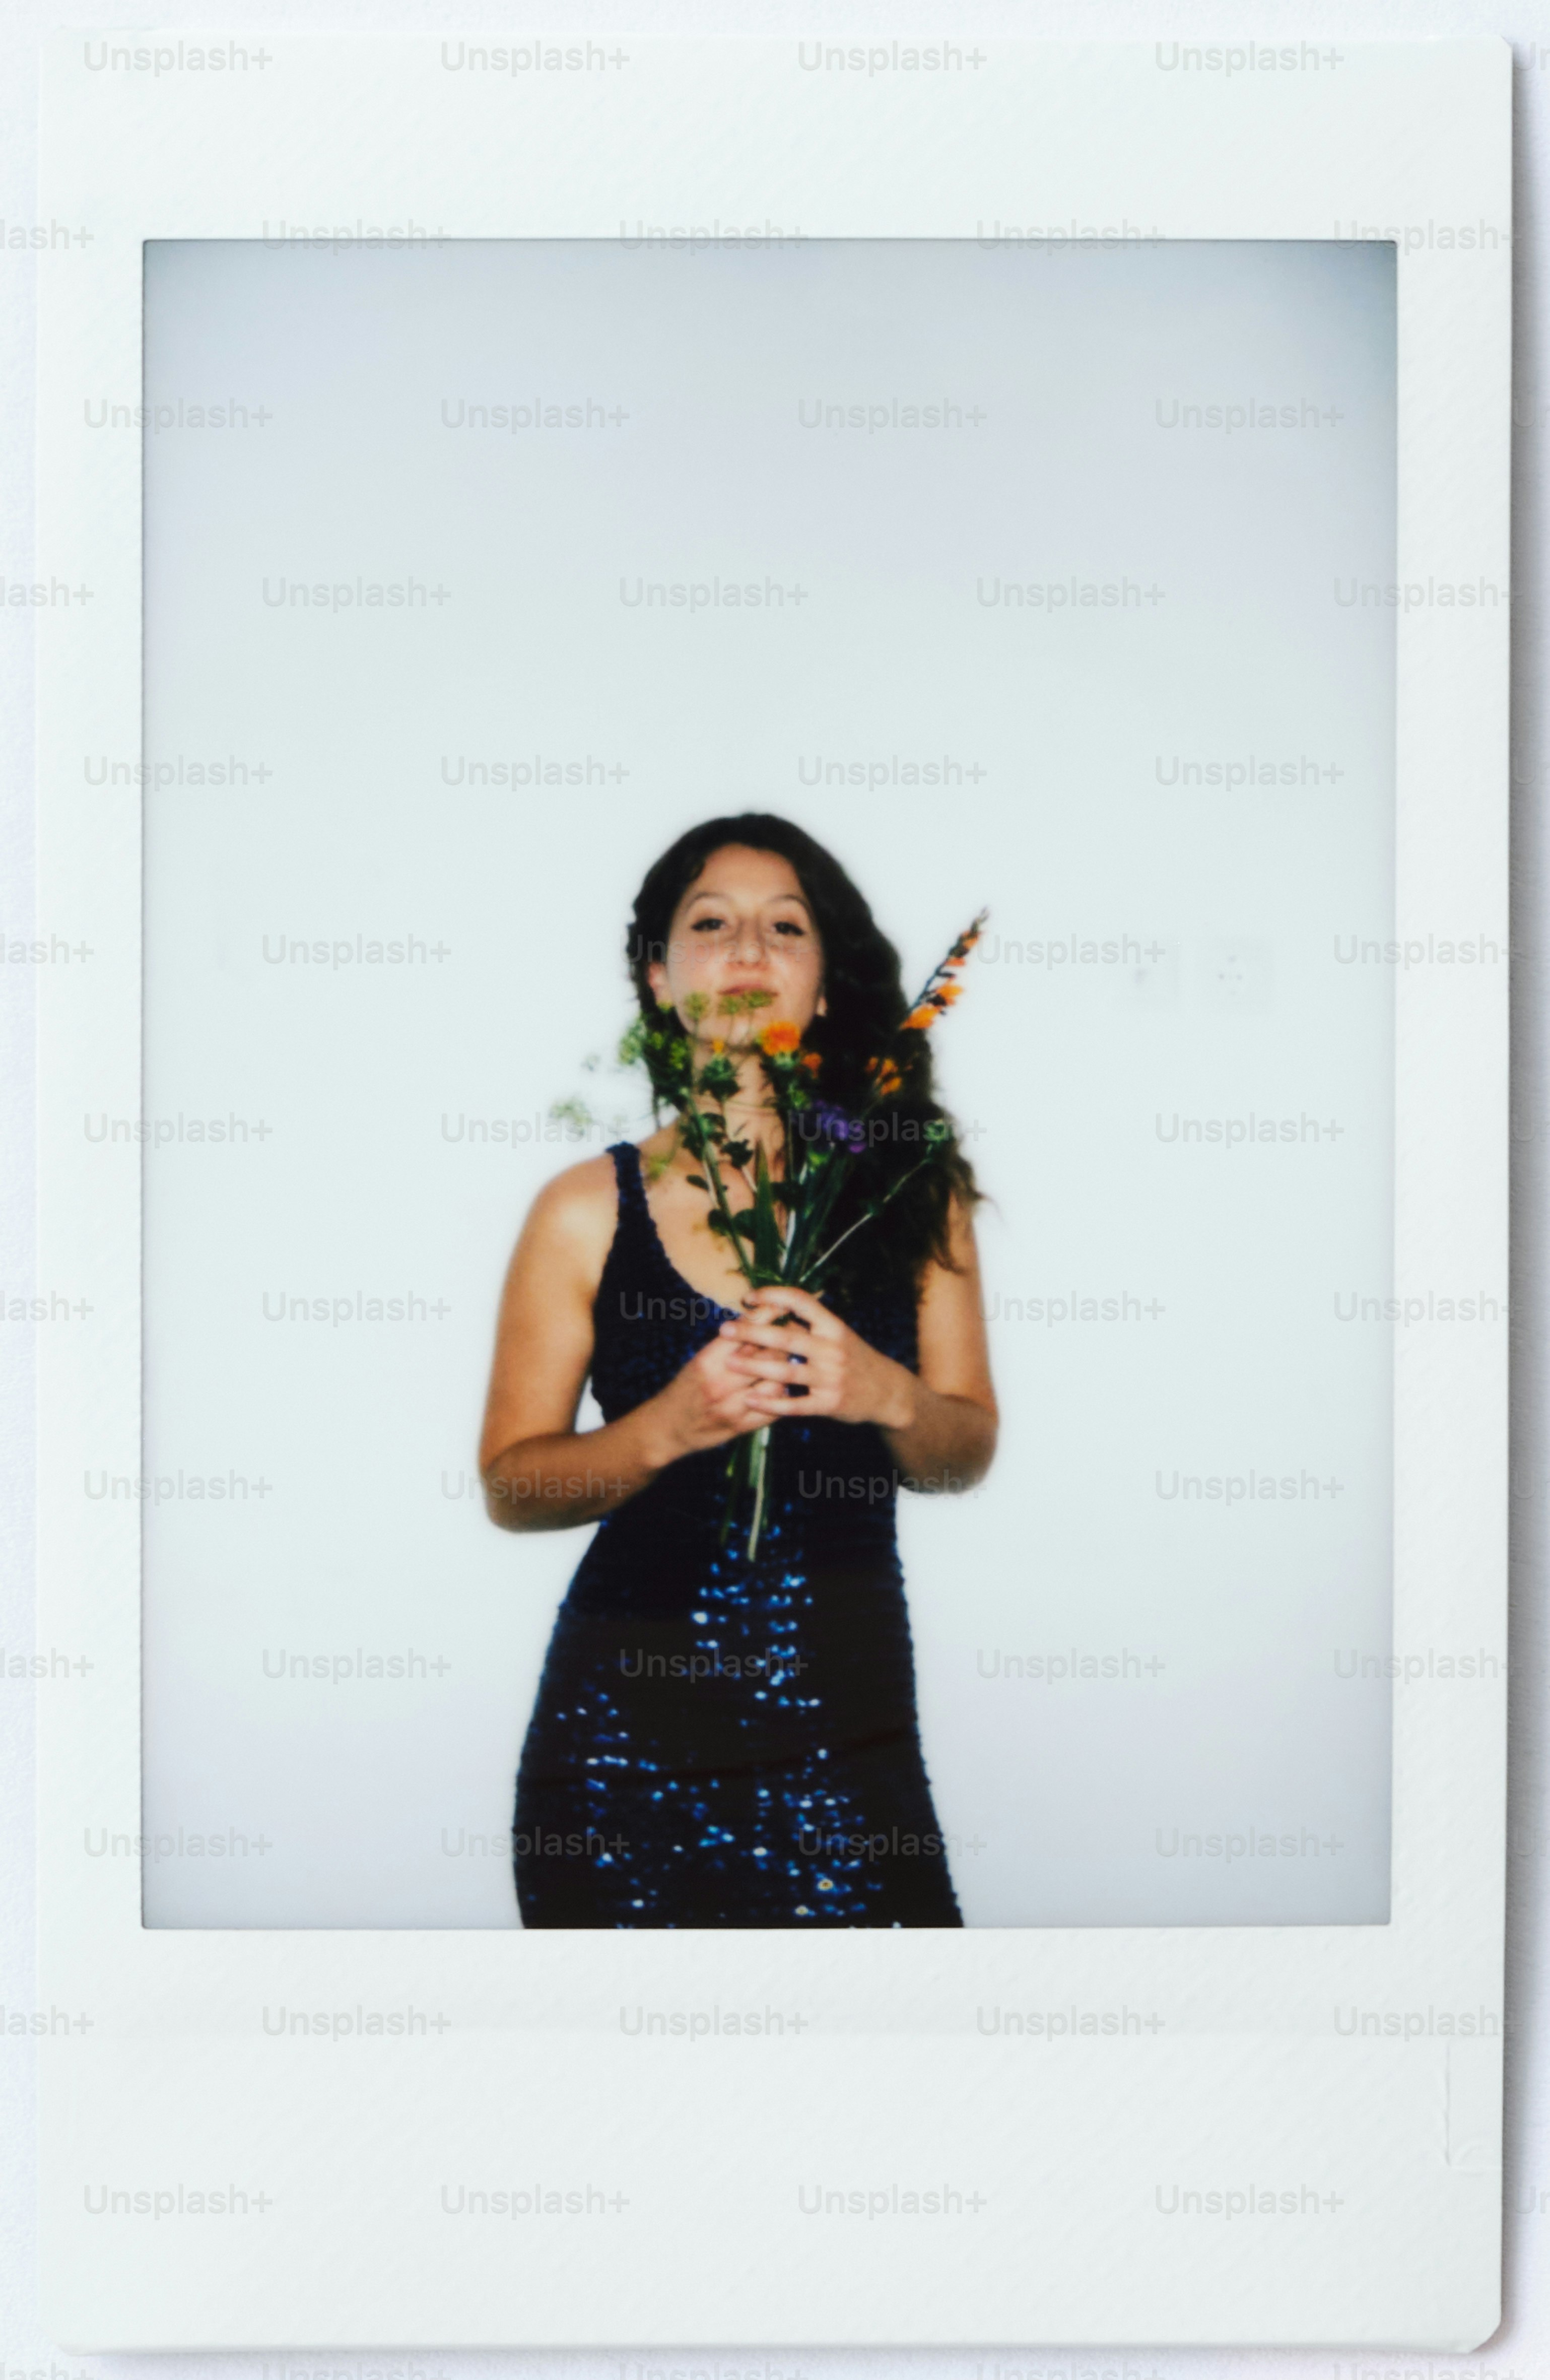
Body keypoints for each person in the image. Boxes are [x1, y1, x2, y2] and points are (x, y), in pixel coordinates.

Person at [479, 813, 997, 1926]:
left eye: (785, 927)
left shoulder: (911, 1192)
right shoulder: (583, 1210)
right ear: (660, 977)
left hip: (852, 1740)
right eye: (711, 924)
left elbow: (962, 1457)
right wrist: (670, 1423)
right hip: (620, 1758)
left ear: (823, 982)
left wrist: (886, 1393)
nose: (750, 952)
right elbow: (513, 1488)